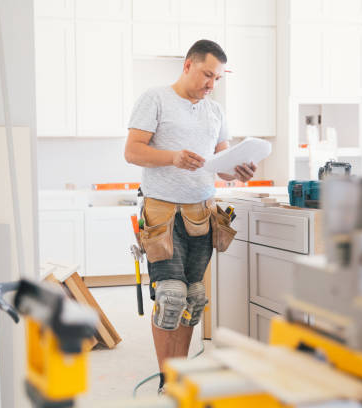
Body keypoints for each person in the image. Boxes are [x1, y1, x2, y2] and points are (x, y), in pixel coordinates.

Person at [124, 39, 257, 393]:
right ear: (188, 65)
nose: (211, 84)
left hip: (202, 212)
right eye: (206, 74)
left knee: (192, 299)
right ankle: (167, 379)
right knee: (169, 296)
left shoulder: (215, 112)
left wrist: (237, 170)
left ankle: (180, 376)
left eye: (217, 78)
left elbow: (222, 163)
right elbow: (132, 151)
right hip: (161, 214)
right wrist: (172, 158)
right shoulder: (155, 98)